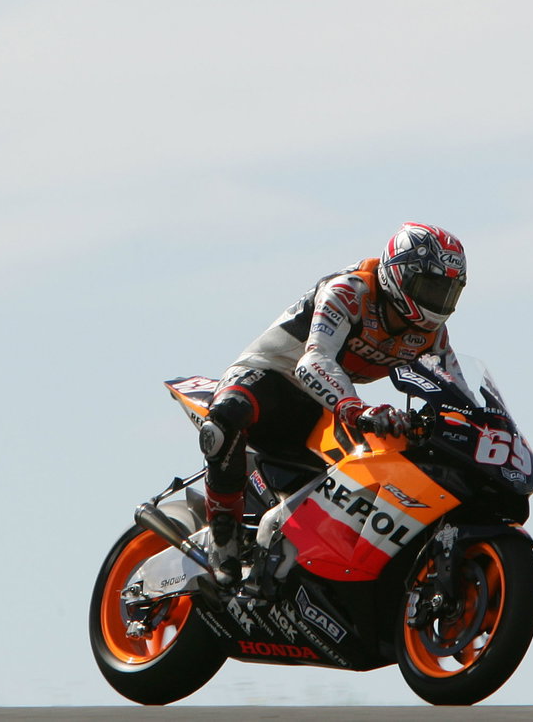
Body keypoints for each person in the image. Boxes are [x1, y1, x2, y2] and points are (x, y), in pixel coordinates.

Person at [198, 222, 469, 587]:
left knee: (355, 484)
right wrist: (358, 409)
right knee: (226, 418)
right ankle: (222, 541)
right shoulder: (350, 291)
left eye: (447, 291)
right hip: (271, 375)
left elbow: (456, 394)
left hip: (321, 406)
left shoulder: (430, 335)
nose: (437, 301)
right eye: (430, 286)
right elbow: (314, 362)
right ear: (399, 275)